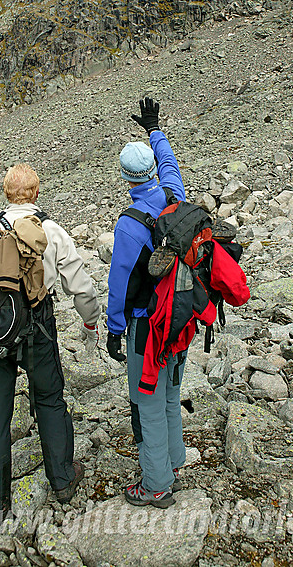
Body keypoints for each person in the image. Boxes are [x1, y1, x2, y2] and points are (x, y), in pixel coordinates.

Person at [0, 163, 101, 513]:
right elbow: (81, 287)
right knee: (49, 399)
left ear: (6, 194)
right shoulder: (52, 231)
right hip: (39, 329)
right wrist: (91, 324)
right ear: (37, 193)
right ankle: (61, 479)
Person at [106, 98, 187, 508]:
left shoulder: (130, 225)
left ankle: (156, 485)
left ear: (126, 179)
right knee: (170, 392)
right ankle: (173, 462)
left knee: (148, 402)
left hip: (147, 327)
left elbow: (119, 285)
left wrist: (114, 330)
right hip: (181, 318)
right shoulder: (175, 195)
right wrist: (155, 131)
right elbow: (170, 164)